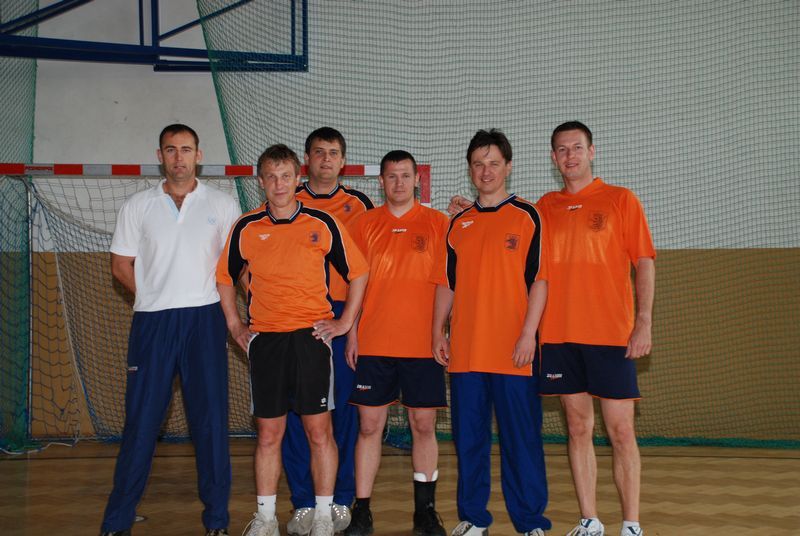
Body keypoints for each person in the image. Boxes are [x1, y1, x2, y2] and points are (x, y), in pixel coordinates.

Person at [216, 144, 369, 536]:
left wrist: (344, 321)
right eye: (271, 177)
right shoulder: (247, 227)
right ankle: (265, 518)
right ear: (261, 181)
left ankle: (324, 516)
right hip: (266, 341)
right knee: (269, 435)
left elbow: (358, 272)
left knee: (319, 432)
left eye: (286, 176)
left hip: (310, 340)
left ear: (297, 178)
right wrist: (235, 326)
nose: (279, 184)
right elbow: (225, 277)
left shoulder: (322, 222)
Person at [100, 124, 240, 536]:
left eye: (186, 149)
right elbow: (120, 265)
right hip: (153, 323)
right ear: (159, 155)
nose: (179, 157)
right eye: (171, 150)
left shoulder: (223, 203)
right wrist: (153, 295)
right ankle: (117, 522)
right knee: (141, 423)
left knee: (210, 423)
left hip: (205, 321)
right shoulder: (138, 205)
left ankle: (217, 522)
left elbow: (235, 267)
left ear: (199, 155)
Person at [537, 121, 655, 536]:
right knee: (577, 427)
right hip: (559, 336)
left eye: (577, 147)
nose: (569, 155)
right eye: (562, 149)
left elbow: (644, 262)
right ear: (553, 158)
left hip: (611, 336)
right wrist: (473, 211)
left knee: (621, 431)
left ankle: (631, 524)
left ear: (592, 151)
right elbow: (509, 232)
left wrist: (643, 321)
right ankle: (589, 520)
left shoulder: (621, 200)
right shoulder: (544, 207)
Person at [432, 129, 551, 536]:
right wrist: (438, 332)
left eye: (494, 163)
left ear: (508, 167)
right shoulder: (457, 224)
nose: (486, 171)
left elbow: (539, 281)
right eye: (478, 164)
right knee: (469, 440)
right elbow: (446, 283)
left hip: (513, 352)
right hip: (466, 353)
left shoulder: (528, 216)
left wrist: (528, 334)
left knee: (522, 439)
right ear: (470, 169)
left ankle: (530, 521)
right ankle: (473, 518)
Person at [343, 151, 449, 536]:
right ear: (381, 181)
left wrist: (439, 333)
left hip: (422, 347)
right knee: (369, 426)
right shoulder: (363, 224)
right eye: (392, 176)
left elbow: (446, 284)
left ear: (417, 180)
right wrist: (351, 331)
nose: (399, 183)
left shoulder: (439, 224)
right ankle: (362, 511)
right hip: (373, 344)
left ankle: (425, 512)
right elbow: (354, 284)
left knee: (424, 425)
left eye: (405, 175)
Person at [283, 127, 375, 536]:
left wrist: (351, 323)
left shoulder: (360, 204)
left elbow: (369, 270)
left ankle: (340, 499)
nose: (325, 159)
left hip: (342, 317)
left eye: (333, 153)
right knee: (296, 412)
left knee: (344, 412)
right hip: (294, 320)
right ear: (307, 160)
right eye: (318, 152)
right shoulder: (286, 199)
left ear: (343, 161)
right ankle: (304, 502)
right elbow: (248, 266)